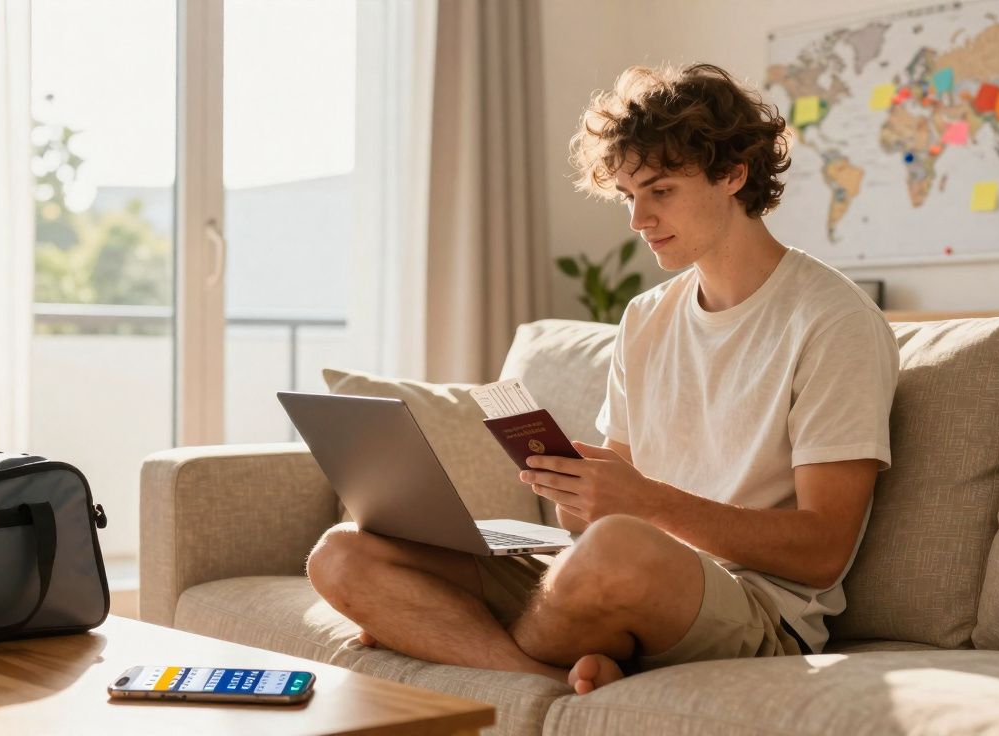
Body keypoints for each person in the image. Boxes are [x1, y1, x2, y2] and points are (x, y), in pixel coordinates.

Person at [305, 62, 899, 695]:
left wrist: (641, 503)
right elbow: (595, 525)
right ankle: (544, 678)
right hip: (607, 571)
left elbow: (822, 551)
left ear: (733, 174)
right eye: (628, 196)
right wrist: (577, 493)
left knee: (618, 549)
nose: (638, 219)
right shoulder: (646, 318)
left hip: (753, 604)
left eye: (661, 190)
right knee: (344, 553)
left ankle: (458, 641)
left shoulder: (833, 320)